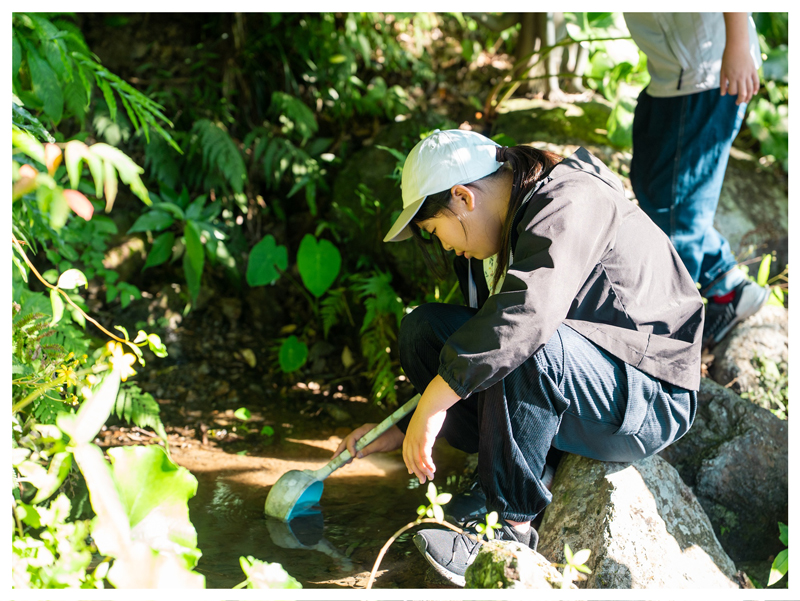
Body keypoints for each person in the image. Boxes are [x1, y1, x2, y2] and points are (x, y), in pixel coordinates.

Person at [332, 129, 702, 586]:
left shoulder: (571, 199)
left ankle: (506, 531)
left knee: (527, 339)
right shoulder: (496, 232)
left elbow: (526, 321)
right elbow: (482, 344)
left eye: (434, 232)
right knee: (423, 330)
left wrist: (434, 404)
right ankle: (497, 472)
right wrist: (403, 427)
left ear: (463, 197)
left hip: (648, 394)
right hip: (580, 376)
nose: (444, 246)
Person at [624, 12, 770, 348]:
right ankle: (726, 284)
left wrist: (738, 45)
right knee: (651, 189)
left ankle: (671, 341)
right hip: (669, 73)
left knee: (675, 215)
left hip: (708, 72)